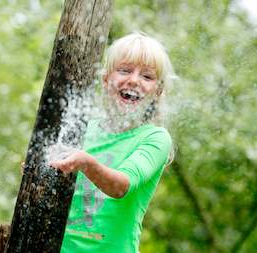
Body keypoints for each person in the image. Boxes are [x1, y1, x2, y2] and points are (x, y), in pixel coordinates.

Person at [49, 32, 175, 253]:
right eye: (125, 70)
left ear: (158, 92)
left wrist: (85, 162)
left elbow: (120, 186)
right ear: (106, 79)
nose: (134, 80)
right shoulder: (83, 128)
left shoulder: (154, 138)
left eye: (147, 76)